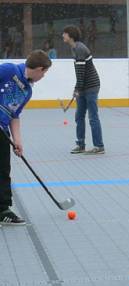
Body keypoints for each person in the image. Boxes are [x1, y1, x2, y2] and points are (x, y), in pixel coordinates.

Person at [0, 50, 52, 226]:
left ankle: (3, 210)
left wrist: (17, 140)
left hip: (2, 131)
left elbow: (14, 115)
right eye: (44, 72)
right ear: (38, 69)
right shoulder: (9, 70)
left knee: (3, 170)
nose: (43, 76)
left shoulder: (27, 91)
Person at [62, 25, 104, 154]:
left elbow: (82, 73)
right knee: (79, 116)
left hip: (91, 86)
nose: (63, 36)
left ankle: (99, 146)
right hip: (83, 86)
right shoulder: (74, 48)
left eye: (64, 33)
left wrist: (77, 89)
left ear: (71, 36)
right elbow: (80, 73)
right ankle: (80, 144)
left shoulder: (79, 49)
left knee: (93, 117)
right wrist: (78, 88)